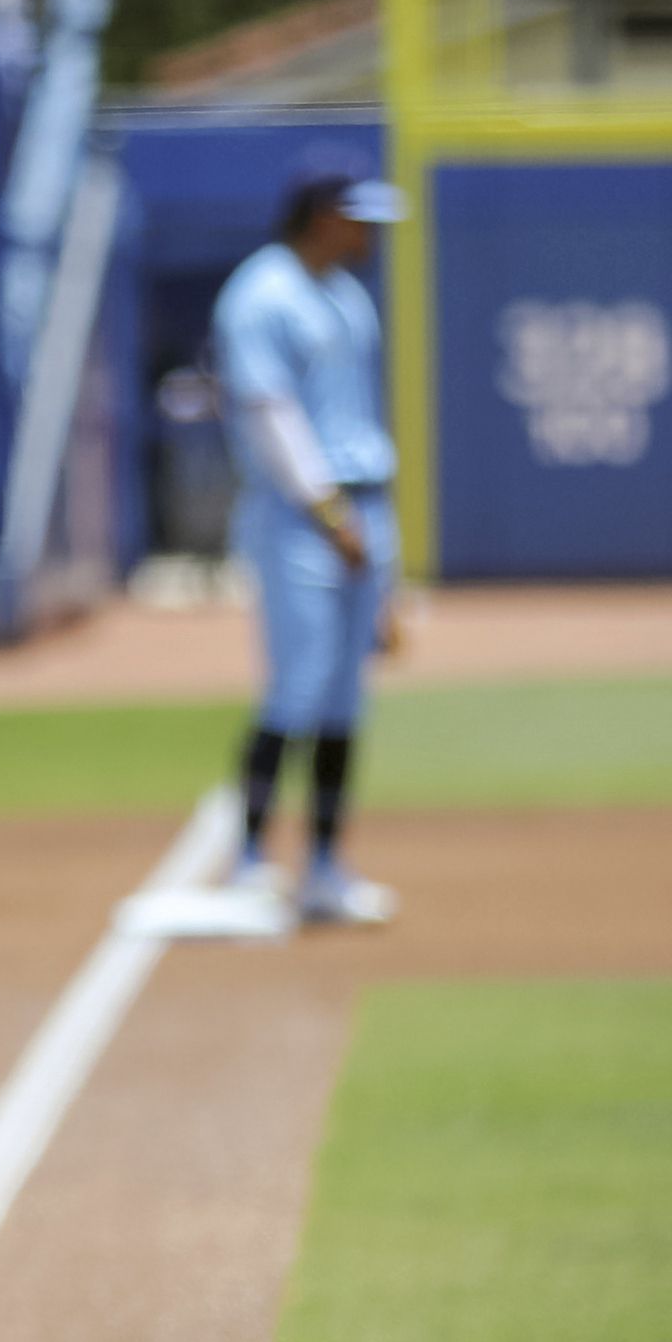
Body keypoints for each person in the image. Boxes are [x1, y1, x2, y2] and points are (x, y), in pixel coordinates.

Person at [213, 166, 404, 926]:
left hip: (363, 508)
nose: (372, 235)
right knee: (297, 686)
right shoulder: (261, 294)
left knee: (344, 699)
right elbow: (271, 414)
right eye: (360, 219)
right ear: (322, 216)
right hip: (305, 515)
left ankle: (325, 864)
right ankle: (252, 859)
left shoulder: (347, 296)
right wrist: (330, 513)